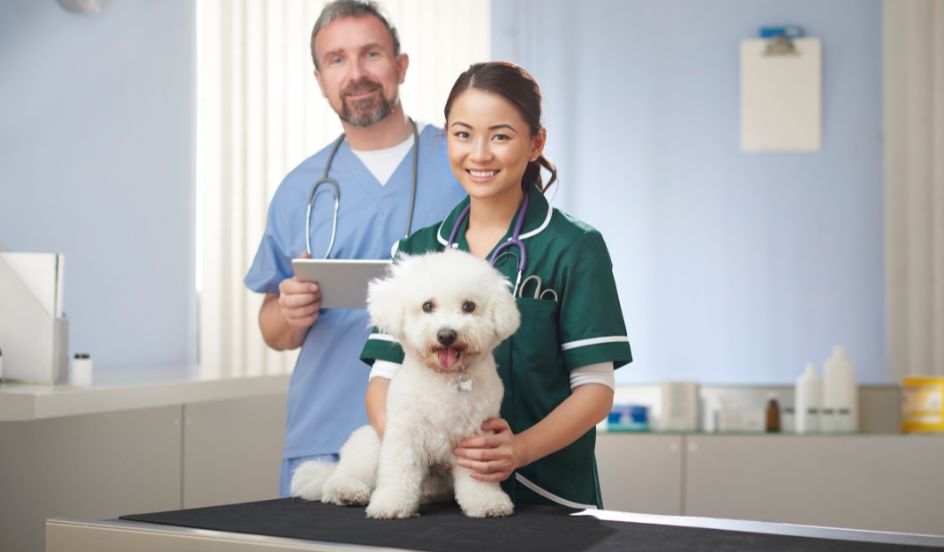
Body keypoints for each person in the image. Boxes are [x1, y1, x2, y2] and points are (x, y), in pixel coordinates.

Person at [361, 61, 632, 509]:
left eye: (501, 136)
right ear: (444, 138)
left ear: (535, 143)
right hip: (440, 504)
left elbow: (596, 389)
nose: (480, 154)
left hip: (550, 497)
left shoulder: (574, 246)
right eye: (463, 134)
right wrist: (422, 452)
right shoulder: (419, 249)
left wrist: (517, 450)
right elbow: (382, 380)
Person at [244, 0, 465, 497]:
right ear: (320, 79)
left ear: (401, 66)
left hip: (440, 438)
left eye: (372, 54)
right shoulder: (298, 189)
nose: (357, 73)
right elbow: (272, 329)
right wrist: (291, 313)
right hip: (323, 437)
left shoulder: (461, 165)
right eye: (337, 60)